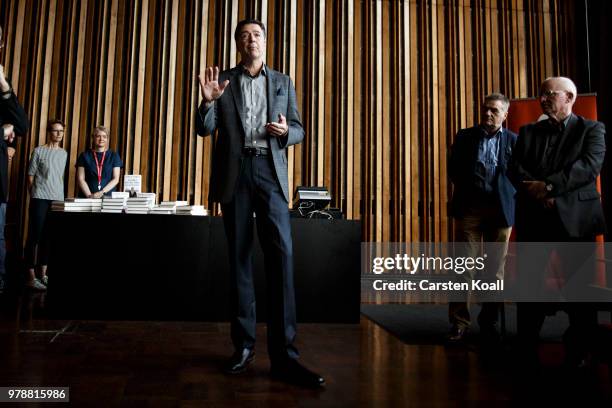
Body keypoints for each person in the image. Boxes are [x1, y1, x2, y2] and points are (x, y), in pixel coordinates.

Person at [195, 19, 324, 388]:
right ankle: (244, 347)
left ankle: (285, 355)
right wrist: (207, 103)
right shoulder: (224, 82)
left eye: (257, 35)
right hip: (235, 176)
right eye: (244, 35)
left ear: (266, 41)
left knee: (281, 257)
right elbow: (204, 129)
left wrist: (287, 133)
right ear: (237, 43)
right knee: (238, 259)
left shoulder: (282, 80)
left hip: (270, 171)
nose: (251, 40)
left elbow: (299, 128)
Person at [510, 76, 606, 367]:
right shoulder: (527, 132)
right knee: (529, 287)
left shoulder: (592, 129)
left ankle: (578, 349)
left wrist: (549, 188)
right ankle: (526, 347)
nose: (542, 99)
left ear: (570, 97)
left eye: (550, 94)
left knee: (580, 291)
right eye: (541, 95)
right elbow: (515, 167)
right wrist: (536, 191)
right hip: (534, 218)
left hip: (576, 220)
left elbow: (588, 168)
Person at [447, 93, 517, 343]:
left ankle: (489, 321)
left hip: (500, 211)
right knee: (463, 267)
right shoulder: (465, 137)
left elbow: (518, 175)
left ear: (505, 115)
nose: (488, 114)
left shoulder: (513, 141)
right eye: (486, 109)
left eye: (494, 111)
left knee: (494, 271)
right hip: (470, 209)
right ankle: (459, 322)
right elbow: (453, 169)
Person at [0, 25, 29, 293]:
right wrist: (2, 131)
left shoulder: (1, 88)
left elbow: (21, 125)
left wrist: (4, 85)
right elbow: (8, 129)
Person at [24, 119, 68, 290]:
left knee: (48, 237)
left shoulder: (64, 153)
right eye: (56, 131)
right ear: (49, 132)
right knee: (34, 236)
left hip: (57, 199)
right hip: (40, 198)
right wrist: (34, 194)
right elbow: (30, 175)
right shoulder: (38, 151)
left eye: (61, 131)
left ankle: (44, 274)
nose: (59, 134)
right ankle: (30, 276)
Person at [76, 126, 123, 198]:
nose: (101, 139)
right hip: (87, 197)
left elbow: (116, 179)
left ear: (107, 139)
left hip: (108, 197)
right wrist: (90, 196)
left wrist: (101, 192)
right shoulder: (84, 156)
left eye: (104, 136)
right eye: (98, 136)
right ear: (93, 138)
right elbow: (81, 179)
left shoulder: (114, 156)